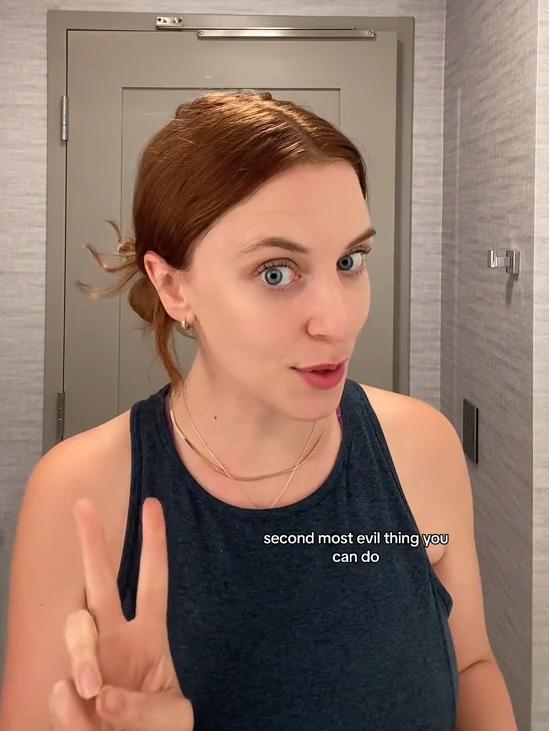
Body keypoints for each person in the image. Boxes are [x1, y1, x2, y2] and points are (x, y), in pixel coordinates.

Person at [0, 91, 517, 730]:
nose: (338, 323)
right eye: (277, 273)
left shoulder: (421, 448)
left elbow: (471, 667)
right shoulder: (79, 492)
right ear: (172, 286)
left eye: (350, 261)